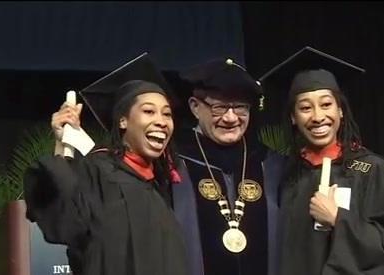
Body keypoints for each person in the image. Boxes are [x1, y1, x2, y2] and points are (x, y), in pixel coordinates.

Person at [23, 53, 189, 275]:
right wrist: (62, 144)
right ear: (123, 120)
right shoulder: (98, 171)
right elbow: (67, 220)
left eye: (167, 114)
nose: (161, 121)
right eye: (148, 111)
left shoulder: (162, 188)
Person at [260, 46, 384, 275]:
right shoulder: (284, 174)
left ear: (340, 110)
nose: (318, 116)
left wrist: (339, 219)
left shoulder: (372, 171)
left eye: (326, 104)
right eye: (305, 108)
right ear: (293, 117)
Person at [171, 58, 285, 275]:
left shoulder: (268, 162)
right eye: (219, 107)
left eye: (240, 107)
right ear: (195, 107)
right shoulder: (174, 163)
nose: (231, 118)